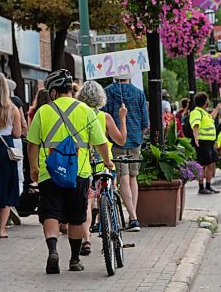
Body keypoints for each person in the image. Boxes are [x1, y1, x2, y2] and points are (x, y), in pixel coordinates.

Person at [27, 69, 114, 274]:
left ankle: (53, 251)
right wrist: (107, 162)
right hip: (79, 173)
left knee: (50, 212)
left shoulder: (43, 111)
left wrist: (34, 168)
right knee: (76, 217)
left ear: (55, 91)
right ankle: (74, 260)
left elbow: (32, 144)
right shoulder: (85, 110)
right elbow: (101, 142)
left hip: (50, 172)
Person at [76, 80, 127, 256]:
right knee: (108, 196)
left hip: (85, 165)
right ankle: (112, 225)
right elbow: (121, 140)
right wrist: (122, 118)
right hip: (105, 164)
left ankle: (86, 239)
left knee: (87, 203)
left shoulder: (78, 115)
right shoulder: (105, 117)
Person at [104, 73, 149, 232]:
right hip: (136, 139)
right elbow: (145, 121)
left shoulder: (108, 92)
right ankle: (132, 216)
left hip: (117, 139)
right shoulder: (139, 93)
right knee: (132, 177)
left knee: (123, 178)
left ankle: (134, 217)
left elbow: (104, 117)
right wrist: (139, 133)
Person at [0, 73, 22, 238]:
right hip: (6, 152)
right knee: (6, 188)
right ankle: (2, 230)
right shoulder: (13, 109)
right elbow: (17, 134)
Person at [190, 92, 221, 195]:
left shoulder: (203, 113)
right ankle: (201, 187)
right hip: (202, 142)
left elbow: (211, 117)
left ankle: (208, 185)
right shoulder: (196, 112)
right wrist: (196, 139)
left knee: (212, 163)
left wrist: (217, 108)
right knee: (203, 165)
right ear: (205, 101)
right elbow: (196, 125)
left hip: (209, 142)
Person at [6, 79, 28, 199]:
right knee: (18, 167)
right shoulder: (15, 102)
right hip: (14, 141)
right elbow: (23, 122)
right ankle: (17, 192)